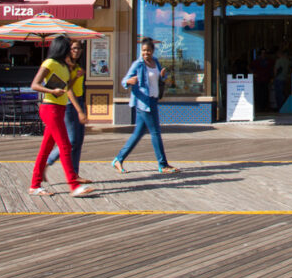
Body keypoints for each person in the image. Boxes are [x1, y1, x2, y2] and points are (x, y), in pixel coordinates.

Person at [28, 36, 95, 197]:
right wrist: (51, 91)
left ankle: (35, 185)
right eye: (68, 48)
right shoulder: (49, 63)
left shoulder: (64, 66)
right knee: (65, 145)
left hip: (60, 108)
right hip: (50, 108)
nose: (71, 51)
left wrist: (75, 77)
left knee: (46, 148)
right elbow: (35, 85)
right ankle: (74, 185)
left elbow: (66, 87)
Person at [111, 37, 179, 174]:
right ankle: (163, 164)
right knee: (155, 132)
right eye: (143, 51)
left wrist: (162, 76)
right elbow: (124, 81)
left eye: (148, 50)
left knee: (138, 133)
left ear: (153, 51)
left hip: (153, 100)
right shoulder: (138, 64)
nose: (145, 53)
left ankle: (118, 159)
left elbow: (160, 78)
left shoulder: (156, 62)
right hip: (143, 102)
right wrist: (130, 81)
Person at [46, 39, 91, 183]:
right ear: (68, 50)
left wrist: (84, 107)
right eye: (73, 48)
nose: (76, 51)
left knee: (78, 141)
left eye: (79, 48)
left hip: (79, 102)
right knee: (70, 140)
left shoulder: (76, 65)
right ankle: (48, 162)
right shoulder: (65, 66)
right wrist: (80, 110)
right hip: (70, 105)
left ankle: (75, 174)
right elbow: (67, 89)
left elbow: (79, 89)